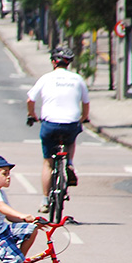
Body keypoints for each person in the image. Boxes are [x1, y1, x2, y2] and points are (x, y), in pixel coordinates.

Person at [26, 46, 90, 213]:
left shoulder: (46, 78)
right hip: (70, 124)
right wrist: (83, 118)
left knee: (48, 162)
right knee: (72, 138)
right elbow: (86, 104)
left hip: (50, 124)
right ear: (69, 63)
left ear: (54, 62)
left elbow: (30, 100)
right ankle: (68, 163)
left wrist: (31, 114)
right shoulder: (78, 79)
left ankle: (45, 200)